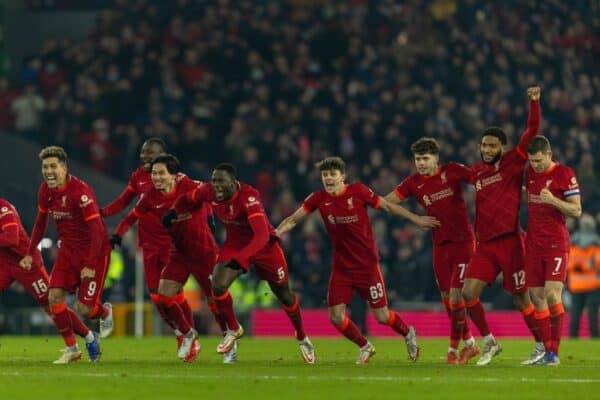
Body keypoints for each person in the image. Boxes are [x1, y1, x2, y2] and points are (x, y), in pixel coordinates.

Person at [277, 156, 439, 364]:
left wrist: (416, 219)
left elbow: (388, 207)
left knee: (381, 317)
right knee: (336, 317)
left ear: (342, 176)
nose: (328, 179)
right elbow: (293, 219)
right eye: (325, 175)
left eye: (332, 174)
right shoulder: (318, 198)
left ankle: (408, 334)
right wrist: (276, 232)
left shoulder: (359, 192)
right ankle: (365, 346)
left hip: (367, 266)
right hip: (342, 267)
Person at [165, 163, 316, 364]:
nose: (217, 186)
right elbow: (187, 199)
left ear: (234, 183)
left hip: (264, 248)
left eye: (222, 182)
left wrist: (243, 258)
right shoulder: (209, 191)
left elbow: (261, 235)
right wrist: (173, 212)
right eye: (214, 181)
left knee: (285, 295)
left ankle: (302, 337)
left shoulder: (249, 197)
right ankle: (234, 329)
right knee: (217, 285)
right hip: (235, 244)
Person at [111, 154, 223, 362]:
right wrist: (118, 234)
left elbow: (206, 195)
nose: (156, 177)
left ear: (174, 175)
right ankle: (187, 334)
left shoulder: (188, 184)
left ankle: (229, 337)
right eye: (154, 173)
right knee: (163, 296)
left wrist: (210, 218)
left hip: (202, 251)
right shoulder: (150, 196)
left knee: (214, 299)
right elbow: (131, 215)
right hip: (177, 252)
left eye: (161, 173)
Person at [461, 86, 542, 366]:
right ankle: (489, 342)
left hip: (510, 242)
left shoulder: (513, 162)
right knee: (468, 293)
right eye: (483, 145)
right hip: (485, 245)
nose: (486, 150)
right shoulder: (477, 172)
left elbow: (532, 131)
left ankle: (541, 346)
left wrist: (534, 102)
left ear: (502, 148)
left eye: (492, 146)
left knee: (521, 299)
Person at [384, 138, 478, 364]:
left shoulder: (453, 171)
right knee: (447, 299)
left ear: (436, 158)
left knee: (456, 298)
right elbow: (386, 202)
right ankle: (471, 345)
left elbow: (480, 180)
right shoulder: (413, 183)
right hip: (440, 246)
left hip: (463, 244)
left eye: (425, 158)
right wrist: (415, 219)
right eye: (418, 159)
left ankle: (452, 352)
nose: (421, 163)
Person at [101, 138, 198, 354]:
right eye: (143, 153)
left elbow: (197, 201)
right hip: (148, 245)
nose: (145, 157)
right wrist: (101, 213)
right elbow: (124, 203)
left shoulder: (178, 180)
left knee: (172, 295)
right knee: (157, 298)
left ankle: (189, 336)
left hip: (172, 246)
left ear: (163, 155)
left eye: (150, 154)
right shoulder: (138, 177)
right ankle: (180, 332)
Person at [19, 146, 112, 363]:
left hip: (94, 252)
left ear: (64, 168)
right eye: (45, 166)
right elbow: (41, 223)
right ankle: (73, 349)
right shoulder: (45, 191)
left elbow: (98, 231)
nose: (48, 171)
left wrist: (90, 263)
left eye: (53, 166)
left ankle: (105, 313)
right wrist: (30, 252)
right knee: (54, 298)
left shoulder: (80, 192)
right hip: (67, 252)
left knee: (84, 308)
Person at [0, 197, 80, 363]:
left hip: (26, 263)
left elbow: (11, 238)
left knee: (51, 304)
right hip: (7, 264)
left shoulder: (4, 208)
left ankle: (83, 338)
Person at [524, 135, 582, 365]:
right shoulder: (529, 174)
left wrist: (553, 201)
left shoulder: (564, 174)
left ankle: (554, 353)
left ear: (549, 154)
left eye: (539, 160)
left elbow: (576, 210)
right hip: (533, 244)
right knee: (536, 297)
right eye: (532, 161)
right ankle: (546, 351)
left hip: (556, 243)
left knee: (551, 294)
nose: (536, 165)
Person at [567, 214, 600, 338]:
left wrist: (579, 266)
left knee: (575, 314)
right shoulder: (597, 242)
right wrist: (588, 266)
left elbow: (568, 263)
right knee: (593, 315)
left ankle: (573, 338)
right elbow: (597, 263)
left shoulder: (573, 242)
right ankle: (595, 338)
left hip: (576, 285)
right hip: (594, 284)